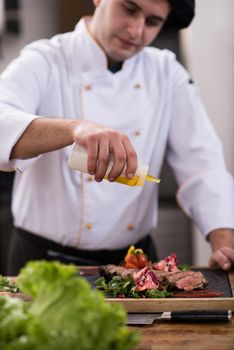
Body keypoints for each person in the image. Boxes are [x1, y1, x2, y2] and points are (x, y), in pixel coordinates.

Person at [0, 0, 233, 275]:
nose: (136, 30)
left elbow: (203, 167)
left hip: (134, 262)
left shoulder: (167, 73)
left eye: (152, 22)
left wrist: (224, 243)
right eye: (129, 9)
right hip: (44, 261)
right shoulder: (44, 59)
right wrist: (74, 129)